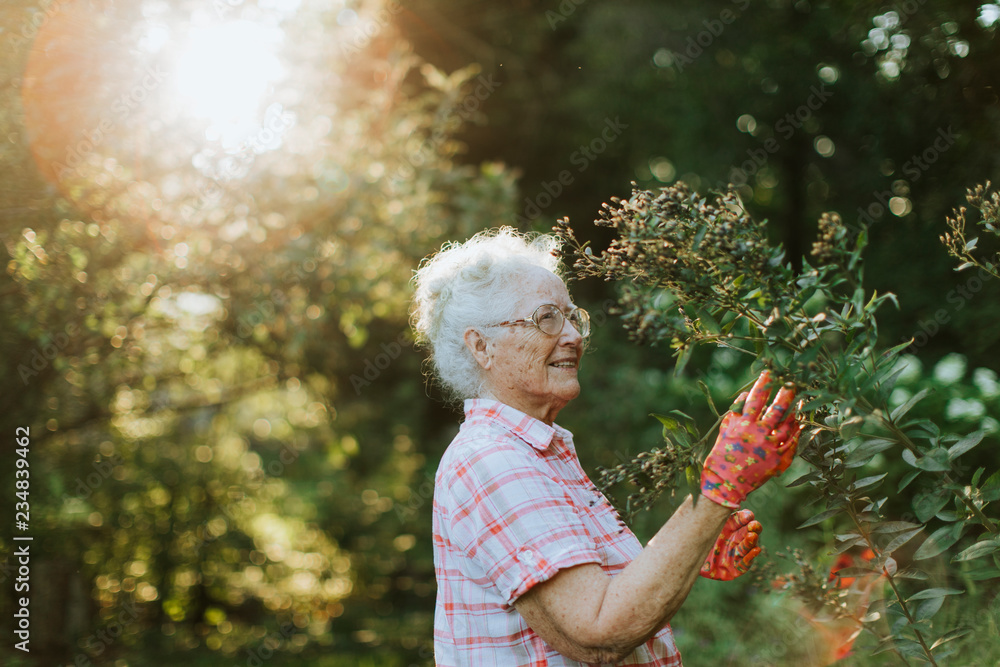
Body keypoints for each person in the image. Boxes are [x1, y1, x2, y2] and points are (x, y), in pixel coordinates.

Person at [410, 227, 802, 666]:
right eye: (546, 318)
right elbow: (596, 633)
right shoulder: (493, 459)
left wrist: (692, 544)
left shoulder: (528, 452)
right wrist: (719, 489)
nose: (574, 336)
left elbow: (603, 601)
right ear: (482, 346)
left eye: (573, 317)